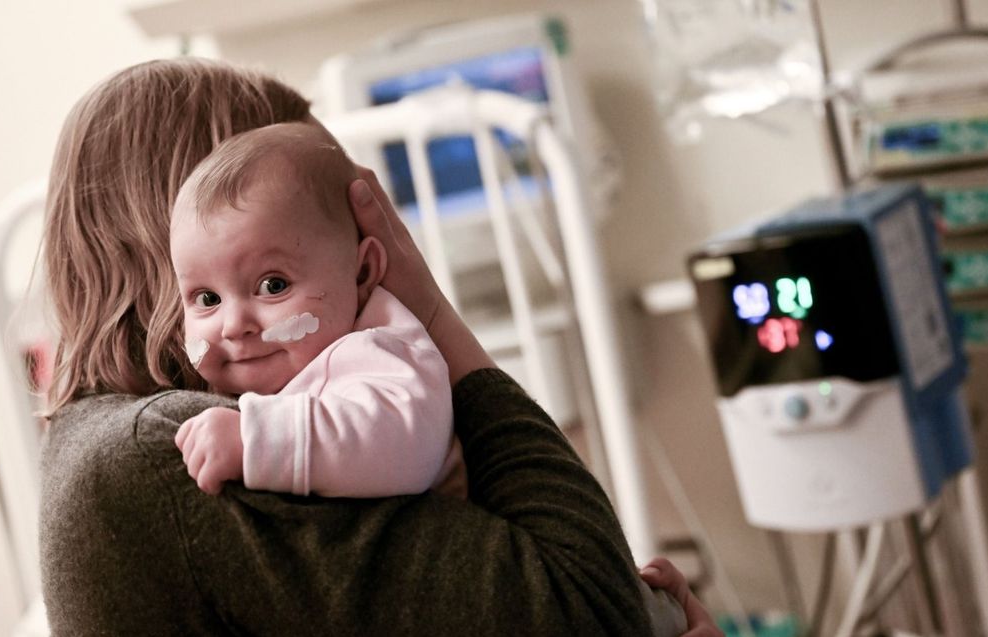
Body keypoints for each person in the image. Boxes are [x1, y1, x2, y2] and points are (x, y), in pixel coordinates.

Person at [38, 57, 721, 637]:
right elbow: (592, 612)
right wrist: (427, 310)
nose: (379, 283)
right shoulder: (177, 452)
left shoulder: (104, 444)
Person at [170, 121, 462, 498]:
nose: (233, 325)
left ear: (362, 272)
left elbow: (410, 445)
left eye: (273, 286)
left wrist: (256, 441)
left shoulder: (380, 349)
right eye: (208, 299)